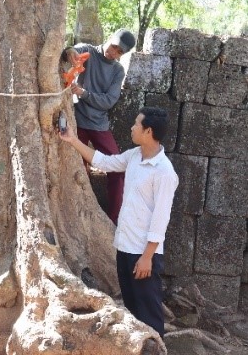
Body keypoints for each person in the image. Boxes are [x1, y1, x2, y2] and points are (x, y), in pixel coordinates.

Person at [59, 106, 178, 337]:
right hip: (124, 247)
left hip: (143, 255)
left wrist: (147, 258)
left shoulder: (164, 172)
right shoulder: (134, 156)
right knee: (133, 311)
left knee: (149, 314)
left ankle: (157, 349)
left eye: (136, 124)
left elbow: (160, 220)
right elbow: (103, 162)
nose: (132, 127)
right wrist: (72, 140)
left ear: (148, 131)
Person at [60, 29, 136, 225]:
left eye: (119, 52)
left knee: (118, 169)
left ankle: (113, 220)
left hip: (98, 124)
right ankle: (79, 218)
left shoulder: (117, 71)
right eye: (113, 47)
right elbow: (71, 51)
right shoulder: (89, 51)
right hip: (76, 121)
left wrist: (84, 93)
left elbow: (109, 101)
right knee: (78, 170)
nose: (113, 53)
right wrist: (70, 53)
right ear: (109, 39)